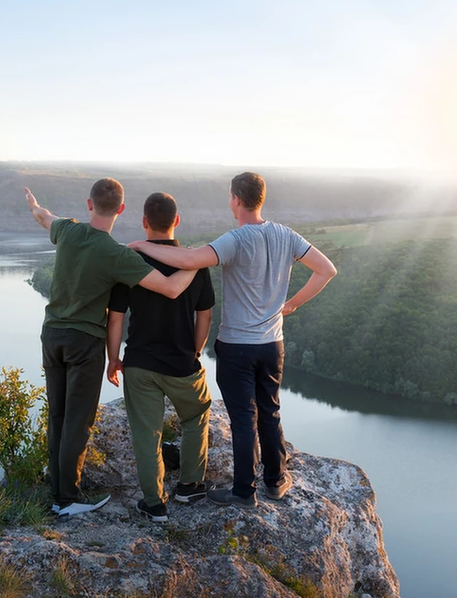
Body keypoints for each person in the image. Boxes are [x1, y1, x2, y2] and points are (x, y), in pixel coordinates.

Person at [127, 172, 337, 508]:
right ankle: (275, 481)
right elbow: (326, 270)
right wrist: (292, 304)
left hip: (237, 346)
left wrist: (141, 245)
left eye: (230, 197)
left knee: (243, 418)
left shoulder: (234, 240)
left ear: (236, 200)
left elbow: (188, 261)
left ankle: (243, 492)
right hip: (272, 344)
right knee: (270, 412)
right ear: (261, 199)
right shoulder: (286, 235)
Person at [25, 179, 197, 518]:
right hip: (84, 343)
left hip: (52, 335)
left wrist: (33, 204)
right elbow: (170, 288)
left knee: (57, 415)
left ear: (89, 204)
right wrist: (196, 263)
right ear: (121, 209)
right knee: (78, 420)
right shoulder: (117, 255)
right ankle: (66, 499)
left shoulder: (67, 230)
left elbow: (43, 216)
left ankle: (58, 491)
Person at [105, 192, 215, 523]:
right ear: (176, 221)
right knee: (195, 417)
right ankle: (189, 486)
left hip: (140, 362)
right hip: (182, 363)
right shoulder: (193, 262)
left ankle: (154, 504)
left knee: (146, 433)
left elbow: (115, 318)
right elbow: (205, 316)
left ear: (144, 222)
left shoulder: (130, 261)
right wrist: (195, 350)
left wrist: (113, 358)